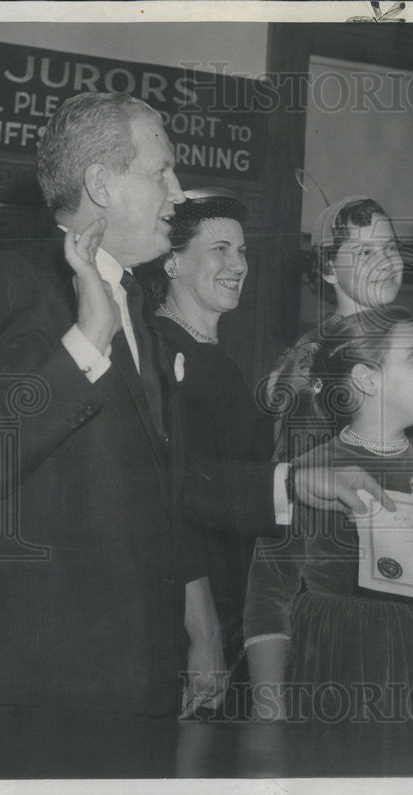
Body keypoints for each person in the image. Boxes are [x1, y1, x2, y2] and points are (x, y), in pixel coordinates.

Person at [0, 92, 388, 718]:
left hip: (142, 674)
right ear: (100, 183)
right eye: (161, 172)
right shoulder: (16, 279)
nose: (178, 193)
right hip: (48, 689)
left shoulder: (137, 308)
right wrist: (87, 337)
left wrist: (297, 483)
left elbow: (172, 486)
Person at [245, 308, 413, 721]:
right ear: (366, 379)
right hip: (341, 672)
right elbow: (268, 599)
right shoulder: (307, 476)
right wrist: (269, 710)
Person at [135, 187, 275, 715]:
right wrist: (206, 635)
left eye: (241, 251)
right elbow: (175, 506)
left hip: (227, 610)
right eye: (220, 249)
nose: (237, 263)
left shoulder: (216, 359)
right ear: (171, 262)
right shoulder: (167, 353)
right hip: (188, 623)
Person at [266, 196, 403, 462]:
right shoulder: (311, 356)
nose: (386, 262)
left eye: (391, 248)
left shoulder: (404, 343)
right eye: (365, 252)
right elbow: (296, 466)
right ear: (330, 269)